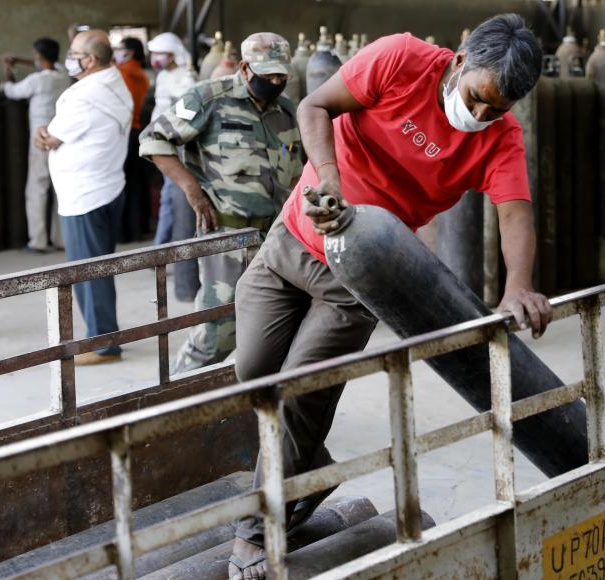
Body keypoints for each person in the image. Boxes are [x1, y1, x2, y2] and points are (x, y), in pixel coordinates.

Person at [228, 14, 551, 579]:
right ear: (459, 58)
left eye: (495, 109)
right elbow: (313, 107)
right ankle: (311, 471)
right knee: (253, 372)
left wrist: (517, 285)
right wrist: (327, 175)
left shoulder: (501, 138)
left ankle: (255, 533)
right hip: (291, 239)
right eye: (477, 97)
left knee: (302, 394)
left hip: (356, 278)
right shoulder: (400, 58)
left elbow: (515, 212)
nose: (479, 116)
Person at [139, 32, 303, 375]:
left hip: (274, 238)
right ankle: (176, 404)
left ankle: (257, 404)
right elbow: (153, 140)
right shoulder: (208, 98)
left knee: (276, 327)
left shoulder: (287, 111)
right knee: (218, 331)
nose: (275, 82)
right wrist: (192, 190)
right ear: (245, 68)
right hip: (226, 235)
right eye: (268, 75)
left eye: (281, 76)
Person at [34, 29, 133, 366]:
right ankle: (106, 335)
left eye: (75, 51)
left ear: (90, 60)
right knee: (99, 267)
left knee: (87, 272)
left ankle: (104, 343)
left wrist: (44, 135)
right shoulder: (114, 82)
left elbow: (52, 137)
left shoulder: (83, 95)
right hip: (108, 186)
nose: (70, 57)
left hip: (84, 195)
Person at [1, 38, 70, 254]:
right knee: (60, 188)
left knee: (37, 189)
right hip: (60, 138)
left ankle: (37, 241)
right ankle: (61, 239)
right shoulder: (63, 76)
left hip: (39, 141)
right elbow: (50, 64)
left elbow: (11, 91)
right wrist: (23, 60)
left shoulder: (36, 81)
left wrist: (5, 75)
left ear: (39, 58)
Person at [147, 32, 199, 246]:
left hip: (176, 143)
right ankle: (163, 244)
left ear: (172, 54)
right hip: (159, 139)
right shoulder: (162, 76)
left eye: (160, 54)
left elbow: (186, 112)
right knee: (167, 195)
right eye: (153, 54)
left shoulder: (187, 77)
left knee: (171, 194)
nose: (155, 58)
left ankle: (161, 245)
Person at [114, 37, 151, 243]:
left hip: (124, 131)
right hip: (138, 132)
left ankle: (123, 233)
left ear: (129, 53)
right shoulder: (142, 75)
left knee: (122, 183)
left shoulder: (121, 73)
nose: (116, 52)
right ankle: (138, 229)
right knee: (137, 183)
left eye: (120, 49)